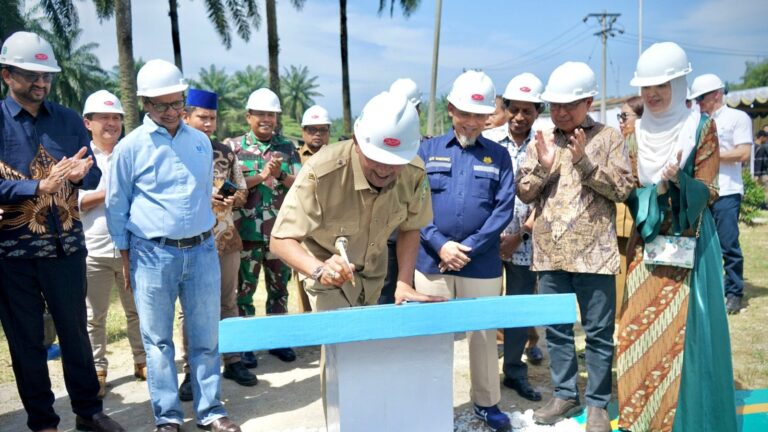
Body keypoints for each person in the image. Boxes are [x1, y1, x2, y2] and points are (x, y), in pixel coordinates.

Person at [269, 91, 443, 426]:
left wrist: (404, 283)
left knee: (371, 353)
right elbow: (281, 239)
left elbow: (411, 228)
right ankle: (340, 424)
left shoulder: (413, 171)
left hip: (374, 276)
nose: (385, 169)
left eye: (394, 162)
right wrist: (319, 270)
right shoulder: (321, 172)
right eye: (376, 159)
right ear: (357, 141)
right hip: (326, 273)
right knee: (342, 354)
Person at [0, 31, 125, 432]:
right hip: (13, 253)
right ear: (6, 75)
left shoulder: (69, 120)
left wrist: (84, 175)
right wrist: (36, 186)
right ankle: (43, 422)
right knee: (28, 343)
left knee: (76, 335)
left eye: (46, 76)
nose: (40, 84)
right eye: (30, 75)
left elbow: (90, 179)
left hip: (68, 248)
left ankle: (89, 413)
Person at [105, 59, 240, 432]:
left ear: (184, 99)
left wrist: (216, 199)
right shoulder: (130, 148)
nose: (169, 112)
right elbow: (117, 204)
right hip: (151, 254)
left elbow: (194, 194)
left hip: (201, 251)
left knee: (206, 337)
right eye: (160, 105)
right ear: (145, 104)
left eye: (176, 102)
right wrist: (126, 255)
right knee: (158, 342)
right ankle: (167, 417)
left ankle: (211, 411)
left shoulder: (200, 142)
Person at [616, 41, 738, 432]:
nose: (652, 95)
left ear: (680, 84)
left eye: (662, 86)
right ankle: (646, 421)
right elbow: (632, 193)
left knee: (690, 345)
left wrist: (676, 182)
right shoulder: (636, 133)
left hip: (691, 250)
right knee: (637, 337)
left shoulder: (701, 128)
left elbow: (709, 190)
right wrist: (652, 192)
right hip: (649, 251)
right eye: (646, 87)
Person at [516, 61, 634, 431]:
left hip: (594, 254)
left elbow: (623, 188)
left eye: (570, 105)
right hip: (550, 253)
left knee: (598, 332)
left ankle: (598, 403)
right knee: (557, 329)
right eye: (555, 106)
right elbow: (523, 190)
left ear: (589, 102)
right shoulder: (543, 140)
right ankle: (565, 394)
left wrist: (584, 163)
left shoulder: (610, 138)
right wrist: (545, 167)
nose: (562, 112)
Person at [415, 70, 516, 432]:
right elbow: (411, 203)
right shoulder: (426, 150)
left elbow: (503, 209)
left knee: (484, 336)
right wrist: (441, 245)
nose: (472, 123)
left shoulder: (500, 156)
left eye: (480, 116)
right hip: (430, 261)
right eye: (465, 114)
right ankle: (428, 404)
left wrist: (468, 248)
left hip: (481, 262)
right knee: (430, 336)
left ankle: (487, 404)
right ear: (451, 109)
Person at [176, 88, 256, 402]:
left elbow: (243, 191)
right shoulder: (174, 149)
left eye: (212, 118)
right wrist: (201, 196)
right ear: (186, 117)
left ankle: (233, 361)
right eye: (202, 118)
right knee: (190, 310)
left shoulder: (225, 151)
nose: (208, 124)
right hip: (187, 242)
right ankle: (189, 371)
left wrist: (230, 195)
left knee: (228, 303)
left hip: (224, 239)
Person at [224, 88, 301, 365]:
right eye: (260, 114)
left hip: (281, 235)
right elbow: (226, 186)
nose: (266, 119)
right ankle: (246, 345)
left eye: (271, 114)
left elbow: (302, 185)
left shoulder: (287, 147)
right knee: (243, 293)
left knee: (279, 290)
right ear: (249, 117)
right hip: (245, 234)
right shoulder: (232, 148)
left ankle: (277, 341)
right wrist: (261, 176)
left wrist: (280, 174)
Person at [79, 90, 147, 399]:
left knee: (137, 310)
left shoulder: (131, 153)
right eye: (104, 117)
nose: (111, 123)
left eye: (116, 118)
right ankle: (98, 370)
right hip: (92, 248)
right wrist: (112, 190)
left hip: (131, 248)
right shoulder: (79, 159)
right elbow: (74, 202)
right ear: (88, 122)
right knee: (95, 315)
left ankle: (142, 361)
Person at [495, 72, 546, 403]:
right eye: (514, 109)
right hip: (487, 242)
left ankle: (513, 370)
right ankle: (485, 372)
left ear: (537, 111)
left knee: (518, 309)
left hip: (525, 243)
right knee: (483, 308)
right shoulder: (488, 140)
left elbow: (550, 197)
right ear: (505, 106)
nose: (519, 117)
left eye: (527, 111)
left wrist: (521, 233)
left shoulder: (546, 144)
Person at [690, 73, 753, 314]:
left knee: (728, 244)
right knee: (701, 245)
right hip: (702, 192)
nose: (699, 103)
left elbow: (743, 153)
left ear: (716, 94)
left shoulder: (738, 118)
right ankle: (708, 290)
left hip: (727, 191)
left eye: (702, 98)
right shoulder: (696, 121)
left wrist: (710, 154)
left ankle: (734, 293)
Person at [378, 77, 424, 305]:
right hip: (385, 239)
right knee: (385, 298)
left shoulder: (425, 148)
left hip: (417, 239)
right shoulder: (381, 142)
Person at [754, 130, 768, 204]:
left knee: (757, 190)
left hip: (753, 172)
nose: (766, 140)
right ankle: (764, 204)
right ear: (762, 137)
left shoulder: (752, 146)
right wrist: (757, 175)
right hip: (762, 173)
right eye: (766, 138)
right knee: (766, 190)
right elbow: (759, 162)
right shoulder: (761, 148)